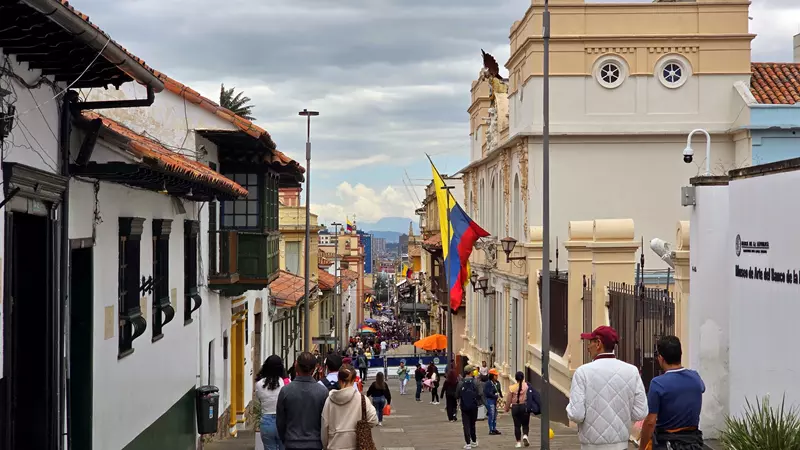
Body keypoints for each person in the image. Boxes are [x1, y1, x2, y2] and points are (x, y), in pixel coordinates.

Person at [566, 326, 648, 450]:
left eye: (590, 342)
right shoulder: (632, 371)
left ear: (598, 343)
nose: (588, 347)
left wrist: (569, 408)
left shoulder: (582, 372)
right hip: (621, 445)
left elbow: (576, 414)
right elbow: (641, 412)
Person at [639, 336, 705, 450]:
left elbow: (650, 422)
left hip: (667, 443)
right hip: (693, 442)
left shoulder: (658, 383)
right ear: (680, 354)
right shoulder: (695, 377)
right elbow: (702, 389)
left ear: (661, 358)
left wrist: (642, 447)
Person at [276, 352, 329, 450]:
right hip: (315, 443)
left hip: (292, 442)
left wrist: (285, 439)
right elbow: (325, 421)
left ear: (296, 366)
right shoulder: (323, 392)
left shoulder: (285, 391)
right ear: (314, 369)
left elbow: (280, 421)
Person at [321, 364, 379, 449]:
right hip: (356, 445)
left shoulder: (329, 401)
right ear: (354, 380)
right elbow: (374, 420)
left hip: (334, 445)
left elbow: (324, 427)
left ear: (338, 379)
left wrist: (326, 446)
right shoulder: (362, 399)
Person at [255, 355, 287, 450]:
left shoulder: (259, 384)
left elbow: (259, 399)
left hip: (266, 420)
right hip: (282, 420)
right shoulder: (285, 382)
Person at [457, 365, 480, 450]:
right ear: (470, 372)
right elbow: (479, 394)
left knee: (466, 425)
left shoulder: (461, 383)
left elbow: (457, 395)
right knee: (472, 424)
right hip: (474, 406)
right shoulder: (475, 382)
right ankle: (474, 441)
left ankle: (468, 443)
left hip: (464, 407)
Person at [505, 371, 531, 448]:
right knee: (525, 424)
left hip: (515, 407)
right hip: (524, 406)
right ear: (523, 378)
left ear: (516, 378)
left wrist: (507, 408)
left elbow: (509, 399)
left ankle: (518, 442)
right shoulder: (526, 386)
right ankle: (525, 435)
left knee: (517, 425)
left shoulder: (511, 388)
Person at [484, 369, 501, 435]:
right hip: (490, 400)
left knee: (494, 415)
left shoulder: (495, 383)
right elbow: (487, 393)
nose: (497, 377)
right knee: (491, 414)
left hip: (494, 400)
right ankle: (491, 429)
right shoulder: (488, 383)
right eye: (495, 375)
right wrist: (494, 396)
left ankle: (494, 428)